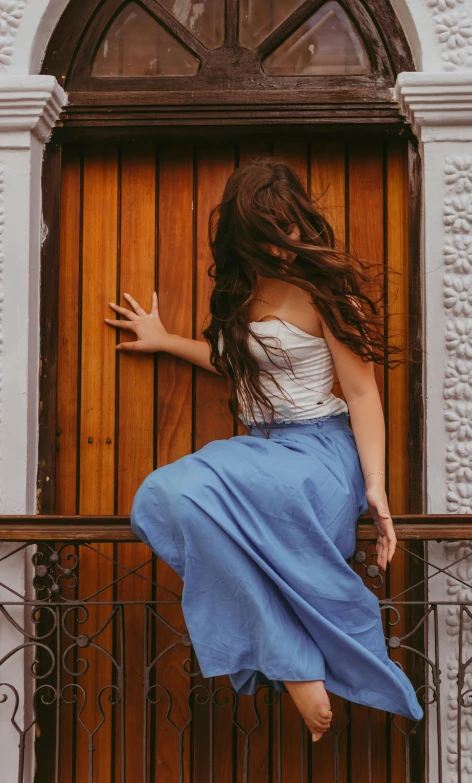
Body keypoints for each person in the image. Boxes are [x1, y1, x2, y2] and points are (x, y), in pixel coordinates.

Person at [104, 158, 424, 742]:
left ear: (301, 223)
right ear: (243, 235)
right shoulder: (239, 289)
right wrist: (166, 340)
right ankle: (291, 657)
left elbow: (361, 391)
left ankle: (296, 660)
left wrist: (375, 486)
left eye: (289, 229)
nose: (282, 246)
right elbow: (233, 362)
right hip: (261, 451)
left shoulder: (327, 291)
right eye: (267, 233)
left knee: (202, 492)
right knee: (161, 498)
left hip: (320, 456)